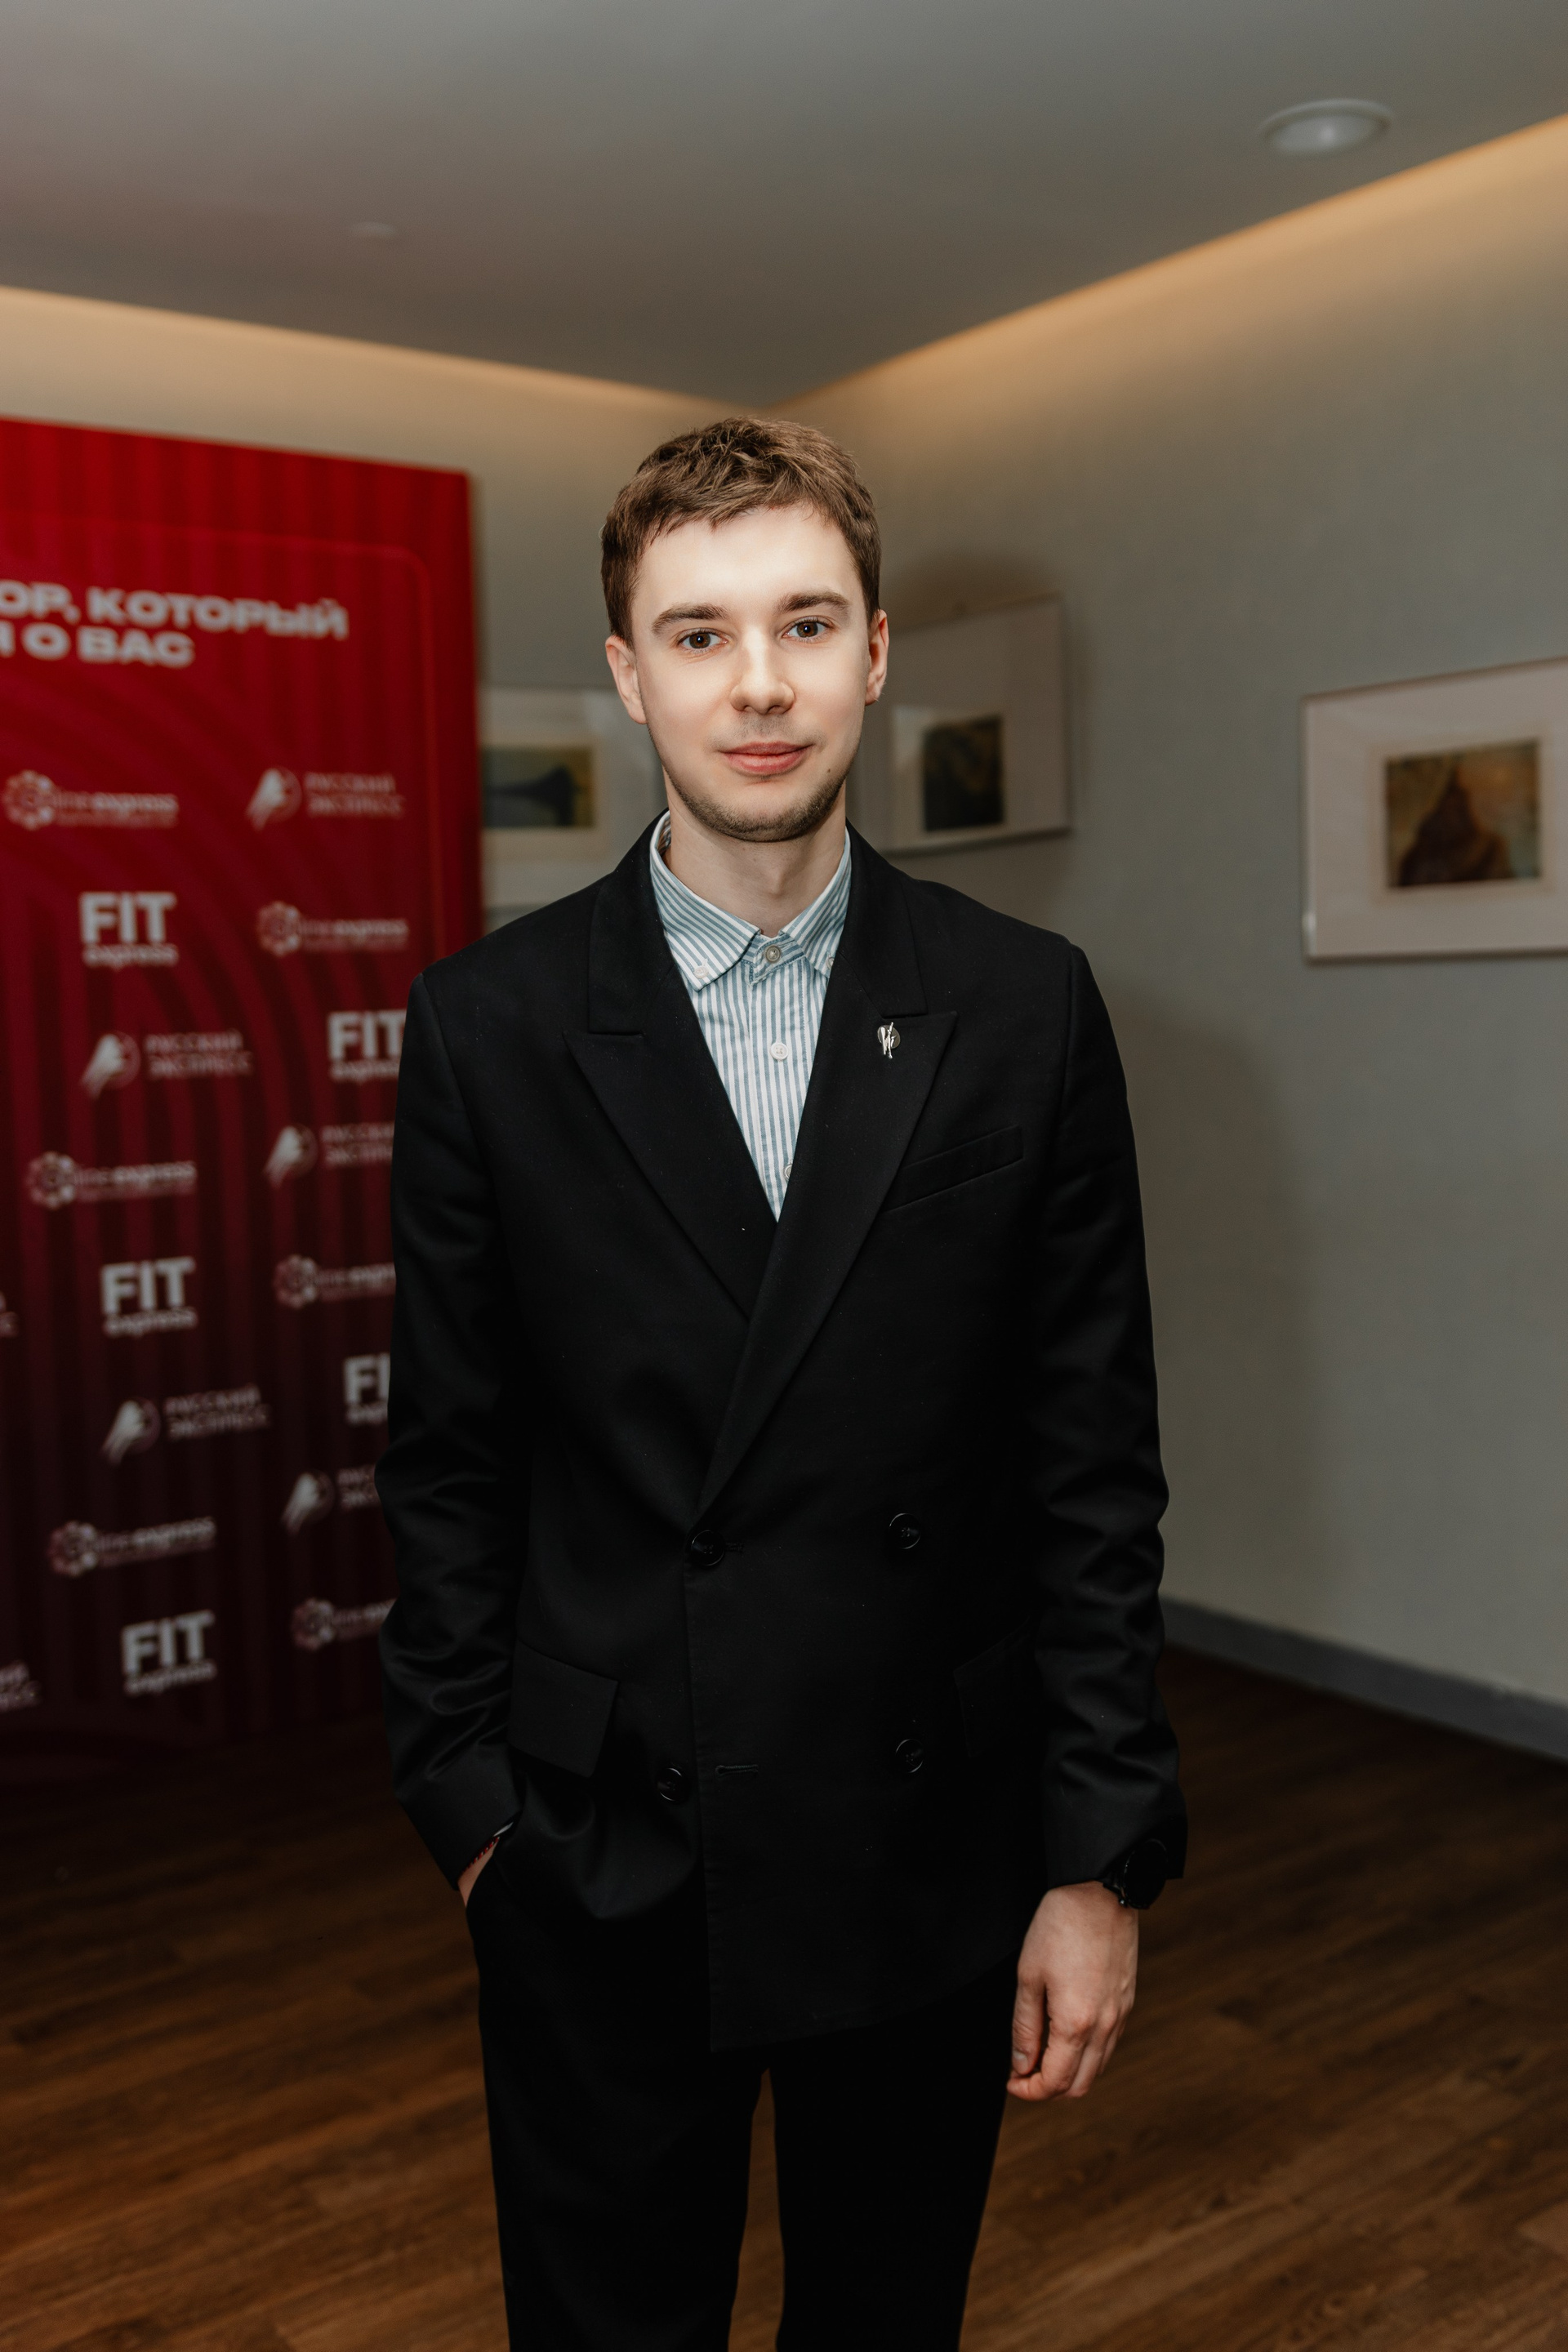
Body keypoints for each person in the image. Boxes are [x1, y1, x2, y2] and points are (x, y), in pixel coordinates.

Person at [377, 415, 1185, 2352]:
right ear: (629, 670)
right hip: (602, 1846)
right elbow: (450, 1461)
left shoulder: (1023, 1005)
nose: (759, 685)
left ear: (876, 652)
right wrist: (477, 1819)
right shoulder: (490, 1027)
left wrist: (1096, 1858)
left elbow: (1091, 1466)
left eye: (807, 624)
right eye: (701, 633)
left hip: (925, 1849)